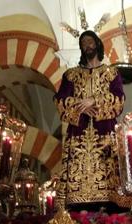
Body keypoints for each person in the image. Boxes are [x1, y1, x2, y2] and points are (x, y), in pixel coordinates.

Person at [54, 30, 126, 212]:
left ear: (98, 44)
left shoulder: (111, 73)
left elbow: (119, 100)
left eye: (90, 41)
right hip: (78, 136)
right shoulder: (71, 75)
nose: (87, 45)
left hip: (105, 136)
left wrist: (94, 101)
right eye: (84, 43)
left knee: (108, 173)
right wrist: (81, 105)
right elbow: (60, 101)